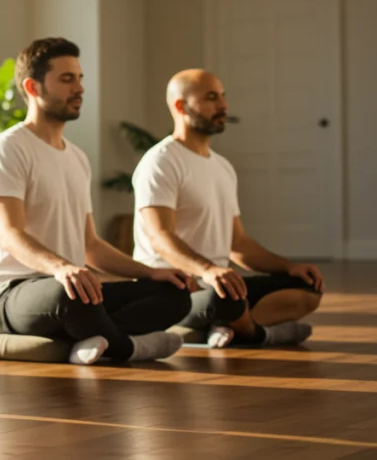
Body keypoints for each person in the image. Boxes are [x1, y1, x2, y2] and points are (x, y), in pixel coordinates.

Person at [0, 38, 192, 365]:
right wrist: (61, 267)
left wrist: (150, 273)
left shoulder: (77, 158)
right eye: (66, 79)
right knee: (71, 296)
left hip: (73, 285)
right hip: (12, 293)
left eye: (79, 78)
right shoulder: (8, 149)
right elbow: (9, 233)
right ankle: (126, 347)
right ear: (33, 87)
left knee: (174, 294)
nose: (79, 88)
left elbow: (90, 245)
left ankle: (92, 336)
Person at [133, 69, 323, 348]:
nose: (223, 106)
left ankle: (225, 325)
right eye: (211, 98)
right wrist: (208, 270)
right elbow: (159, 237)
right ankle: (256, 333)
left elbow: (238, 243)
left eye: (223, 97)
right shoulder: (161, 162)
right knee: (222, 298)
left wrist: (290, 266)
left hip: (219, 283)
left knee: (307, 288)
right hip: (173, 287)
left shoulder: (223, 167)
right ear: (180, 106)